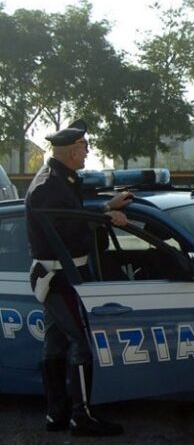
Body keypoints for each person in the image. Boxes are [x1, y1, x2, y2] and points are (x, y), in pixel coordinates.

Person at [26, 119, 134, 436]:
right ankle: (80, 416)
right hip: (60, 278)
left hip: (62, 275)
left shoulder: (61, 179)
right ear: (73, 151)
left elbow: (72, 213)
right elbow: (66, 230)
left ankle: (56, 415)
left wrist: (105, 206)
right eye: (86, 147)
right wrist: (105, 218)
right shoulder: (49, 186)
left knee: (56, 345)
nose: (88, 152)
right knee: (81, 345)